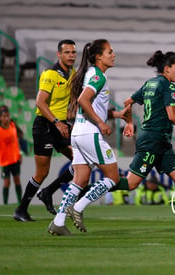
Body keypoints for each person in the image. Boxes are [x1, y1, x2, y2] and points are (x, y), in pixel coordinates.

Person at [69, 50, 175, 235]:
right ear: (167, 69)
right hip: (152, 140)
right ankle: (86, 192)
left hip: (161, 141)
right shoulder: (168, 87)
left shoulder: (150, 83)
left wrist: (131, 123)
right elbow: (172, 116)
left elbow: (128, 101)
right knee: (131, 184)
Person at [47, 39, 130, 236]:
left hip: (78, 132)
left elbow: (92, 105)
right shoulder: (98, 76)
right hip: (89, 133)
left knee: (80, 179)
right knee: (113, 177)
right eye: (110, 52)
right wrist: (101, 124)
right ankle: (79, 206)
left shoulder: (90, 74)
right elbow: (83, 100)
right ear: (98, 56)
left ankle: (58, 222)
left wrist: (116, 115)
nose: (114, 55)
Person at [13, 39, 77, 221]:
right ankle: (21, 209)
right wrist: (57, 121)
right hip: (45, 126)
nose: (71, 56)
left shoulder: (71, 74)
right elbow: (40, 102)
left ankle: (48, 192)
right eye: (67, 52)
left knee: (81, 161)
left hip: (61, 125)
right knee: (42, 172)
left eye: (73, 52)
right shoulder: (51, 74)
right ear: (59, 54)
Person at [0, 105, 22, 205]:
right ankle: (5, 204)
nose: (6, 118)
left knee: (17, 181)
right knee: (7, 182)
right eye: (4, 116)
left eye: (7, 116)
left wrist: (19, 153)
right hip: (4, 162)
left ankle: (20, 203)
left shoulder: (12, 125)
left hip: (15, 160)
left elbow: (16, 141)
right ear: (0, 117)